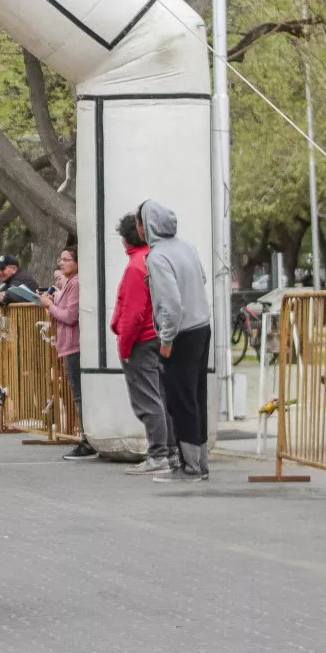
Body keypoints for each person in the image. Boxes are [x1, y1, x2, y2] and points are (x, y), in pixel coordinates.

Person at [137, 200, 212, 483]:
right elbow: (202, 277)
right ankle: (200, 462)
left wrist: (166, 338)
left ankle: (190, 467)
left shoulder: (157, 257)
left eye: (140, 223)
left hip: (181, 334)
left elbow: (170, 303)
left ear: (148, 226)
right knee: (196, 397)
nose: (139, 229)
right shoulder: (187, 246)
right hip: (202, 327)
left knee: (180, 400)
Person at [111, 212, 177, 475]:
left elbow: (134, 313)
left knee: (148, 401)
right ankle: (170, 451)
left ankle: (158, 454)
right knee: (160, 397)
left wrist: (124, 346)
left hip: (142, 341)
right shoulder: (155, 259)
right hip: (159, 337)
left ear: (126, 240)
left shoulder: (136, 267)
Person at [41, 246, 95, 460]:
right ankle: (86, 437)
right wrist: (51, 301)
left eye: (66, 260)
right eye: (60, 259)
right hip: (68, 345)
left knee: (80, 395)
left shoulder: (77, 283)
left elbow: (70, 316)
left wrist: (49, 305)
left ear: (78, 263)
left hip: (75, 345)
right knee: (77, 394)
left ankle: (87, 440)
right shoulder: (71, 283)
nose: (62, 263)